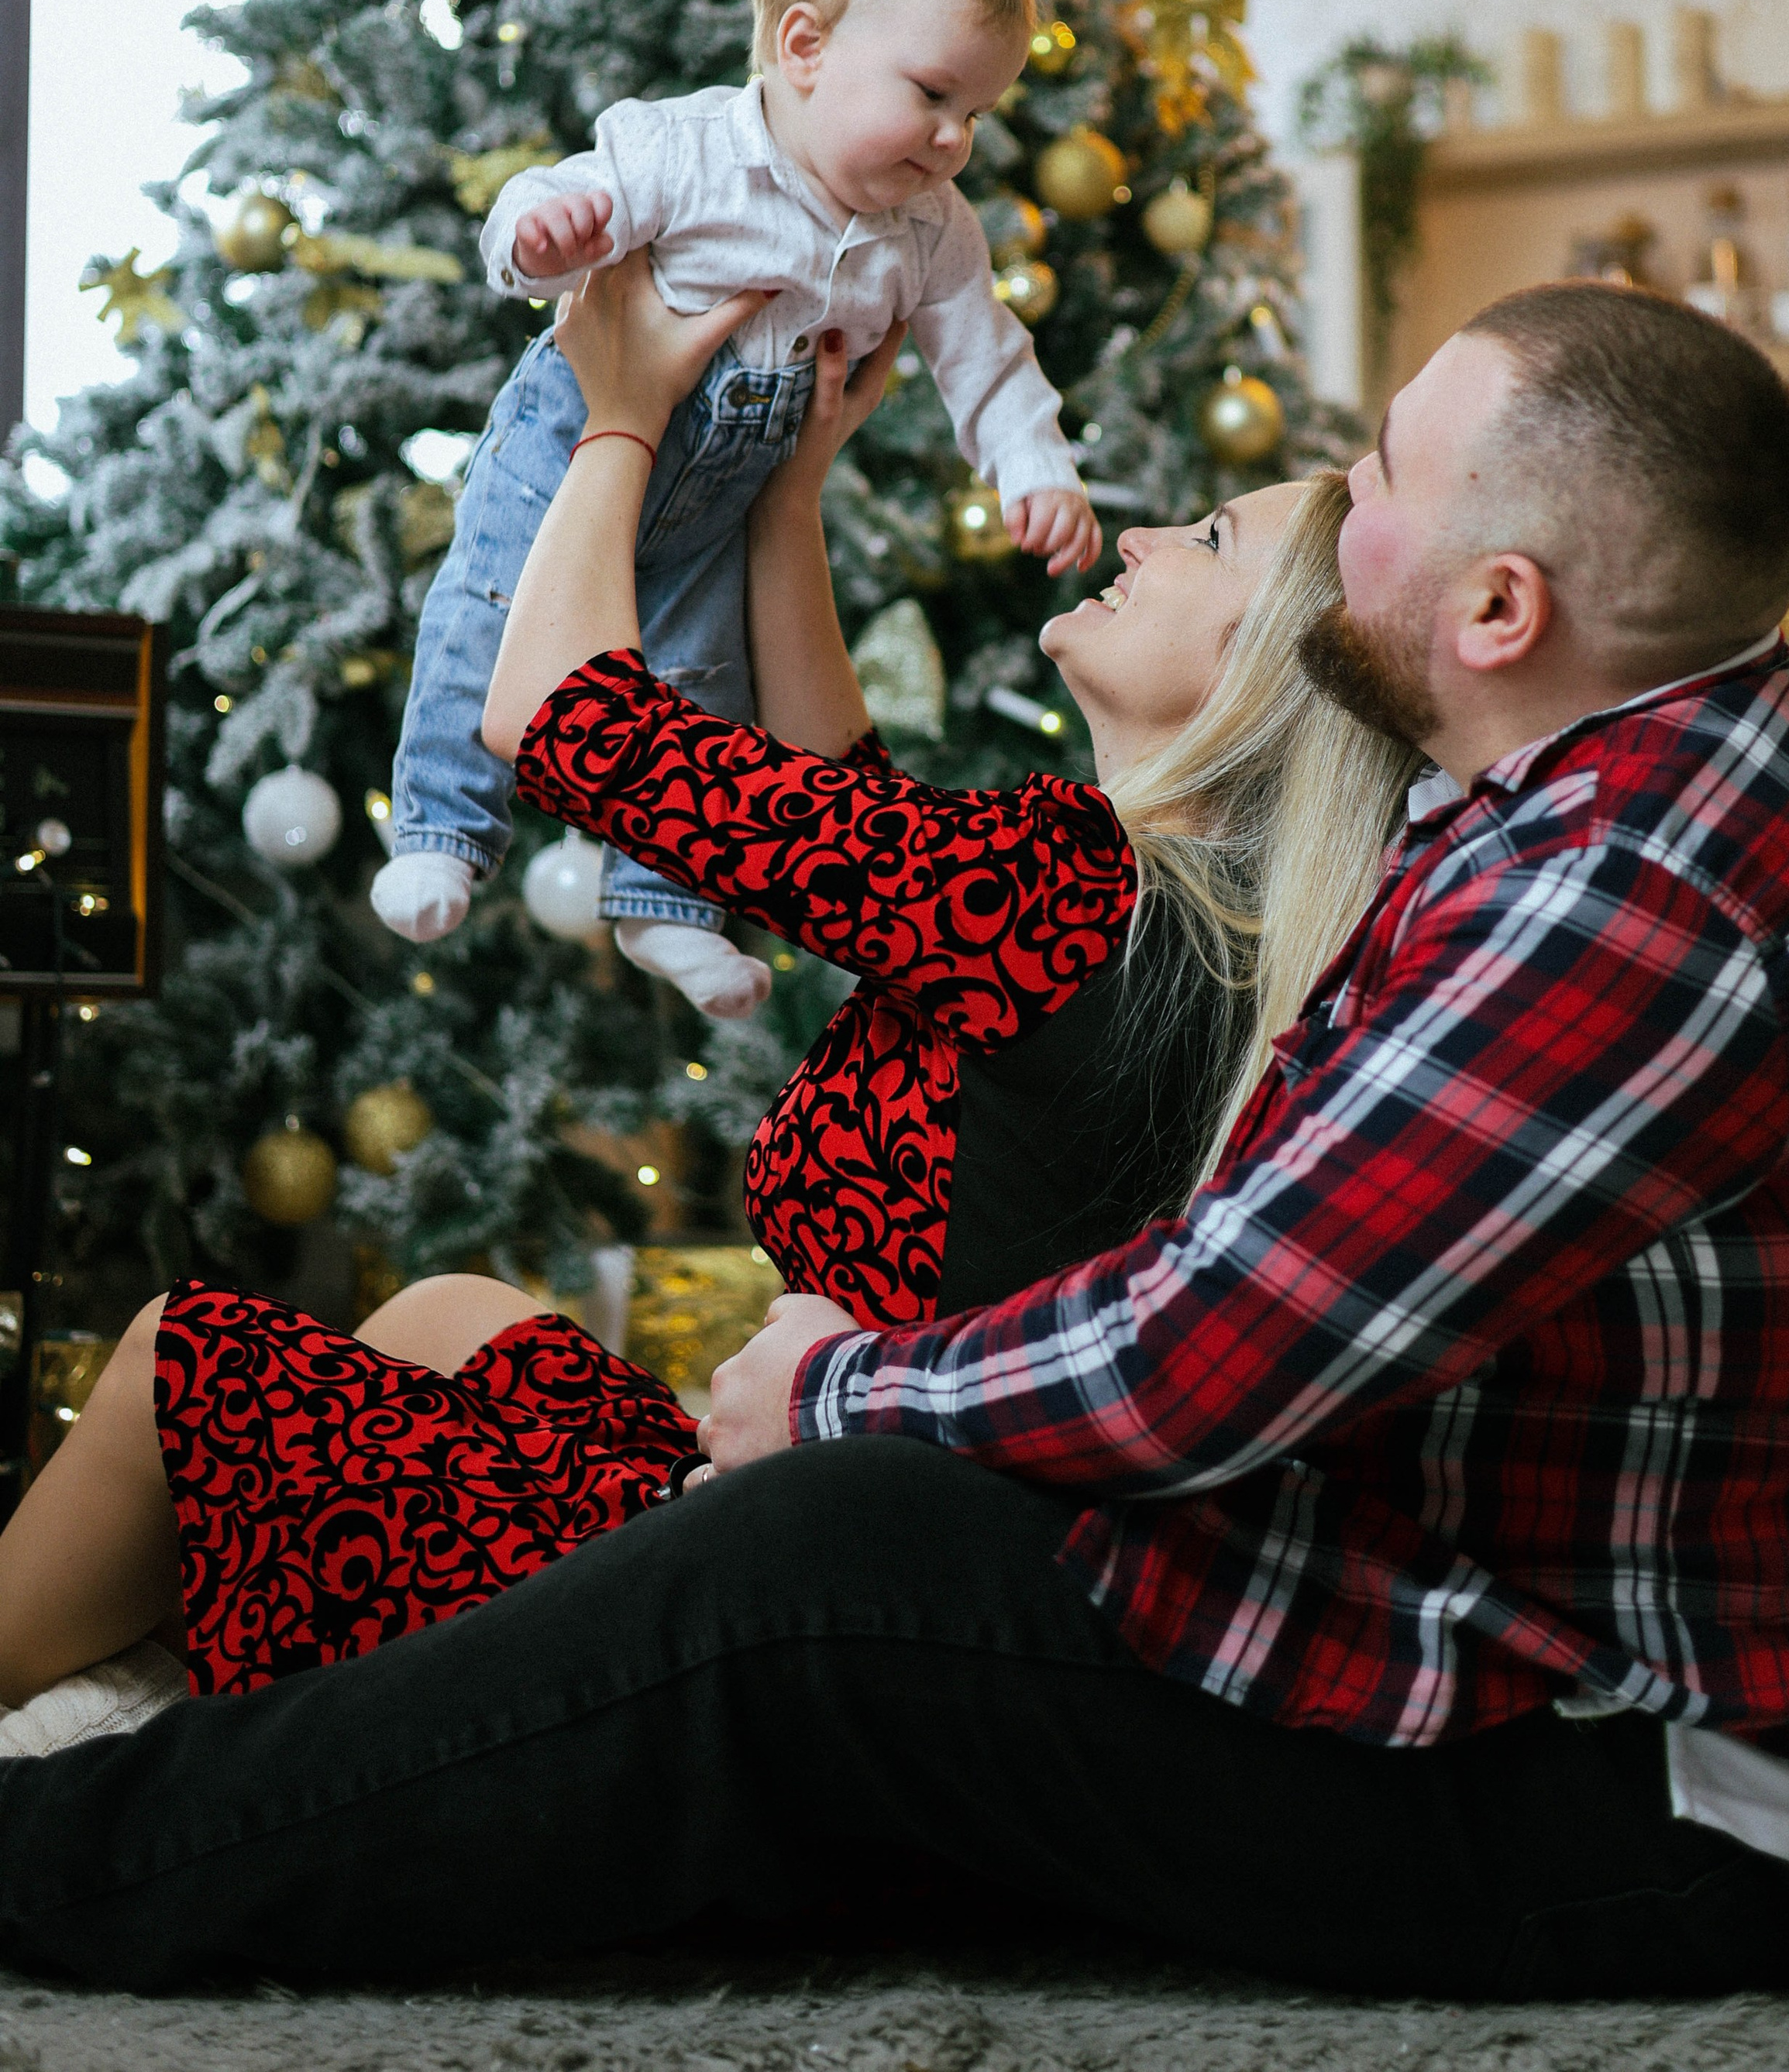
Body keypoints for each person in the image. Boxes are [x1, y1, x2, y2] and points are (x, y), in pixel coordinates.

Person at [3, 277, 1789, 2004]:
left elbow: (1204, 1360)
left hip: (1664, 1788)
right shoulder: (1598, 805)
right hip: (1551, 1651)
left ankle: (69, 1857)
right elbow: (861, 841)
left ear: (1493, 605)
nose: (1323, 509)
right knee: (772, 1492)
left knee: (824, 1547)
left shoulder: (1632, 896)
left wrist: (850, 1392)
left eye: (1369, 479)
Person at [0, 257, 1411, 1719]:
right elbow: (845, 806)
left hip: (806, 1594)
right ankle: (169, 1699)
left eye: (1207, 537)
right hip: (895, 1551)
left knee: (190, 1351)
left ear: (1268, 661)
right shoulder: (1186, 927)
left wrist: (615, 416)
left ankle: (81, 1737)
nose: (1143, 534)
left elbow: (552, 716)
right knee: (445, 1316)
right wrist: (788, 499)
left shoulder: (1065, 888)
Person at [371, 0, 1100, 1020]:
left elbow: (985, 353)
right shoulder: (689, 151)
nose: (957, 139)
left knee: (700, 687)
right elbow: (549, 203)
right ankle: (445, 830)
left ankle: (667, 910)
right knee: (487, 611)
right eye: (933, 96)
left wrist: (1034, 465)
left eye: (980, 115)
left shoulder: (932, 229)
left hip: (736, 478)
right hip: (576, 426)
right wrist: (547, 238)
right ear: (804, 47)